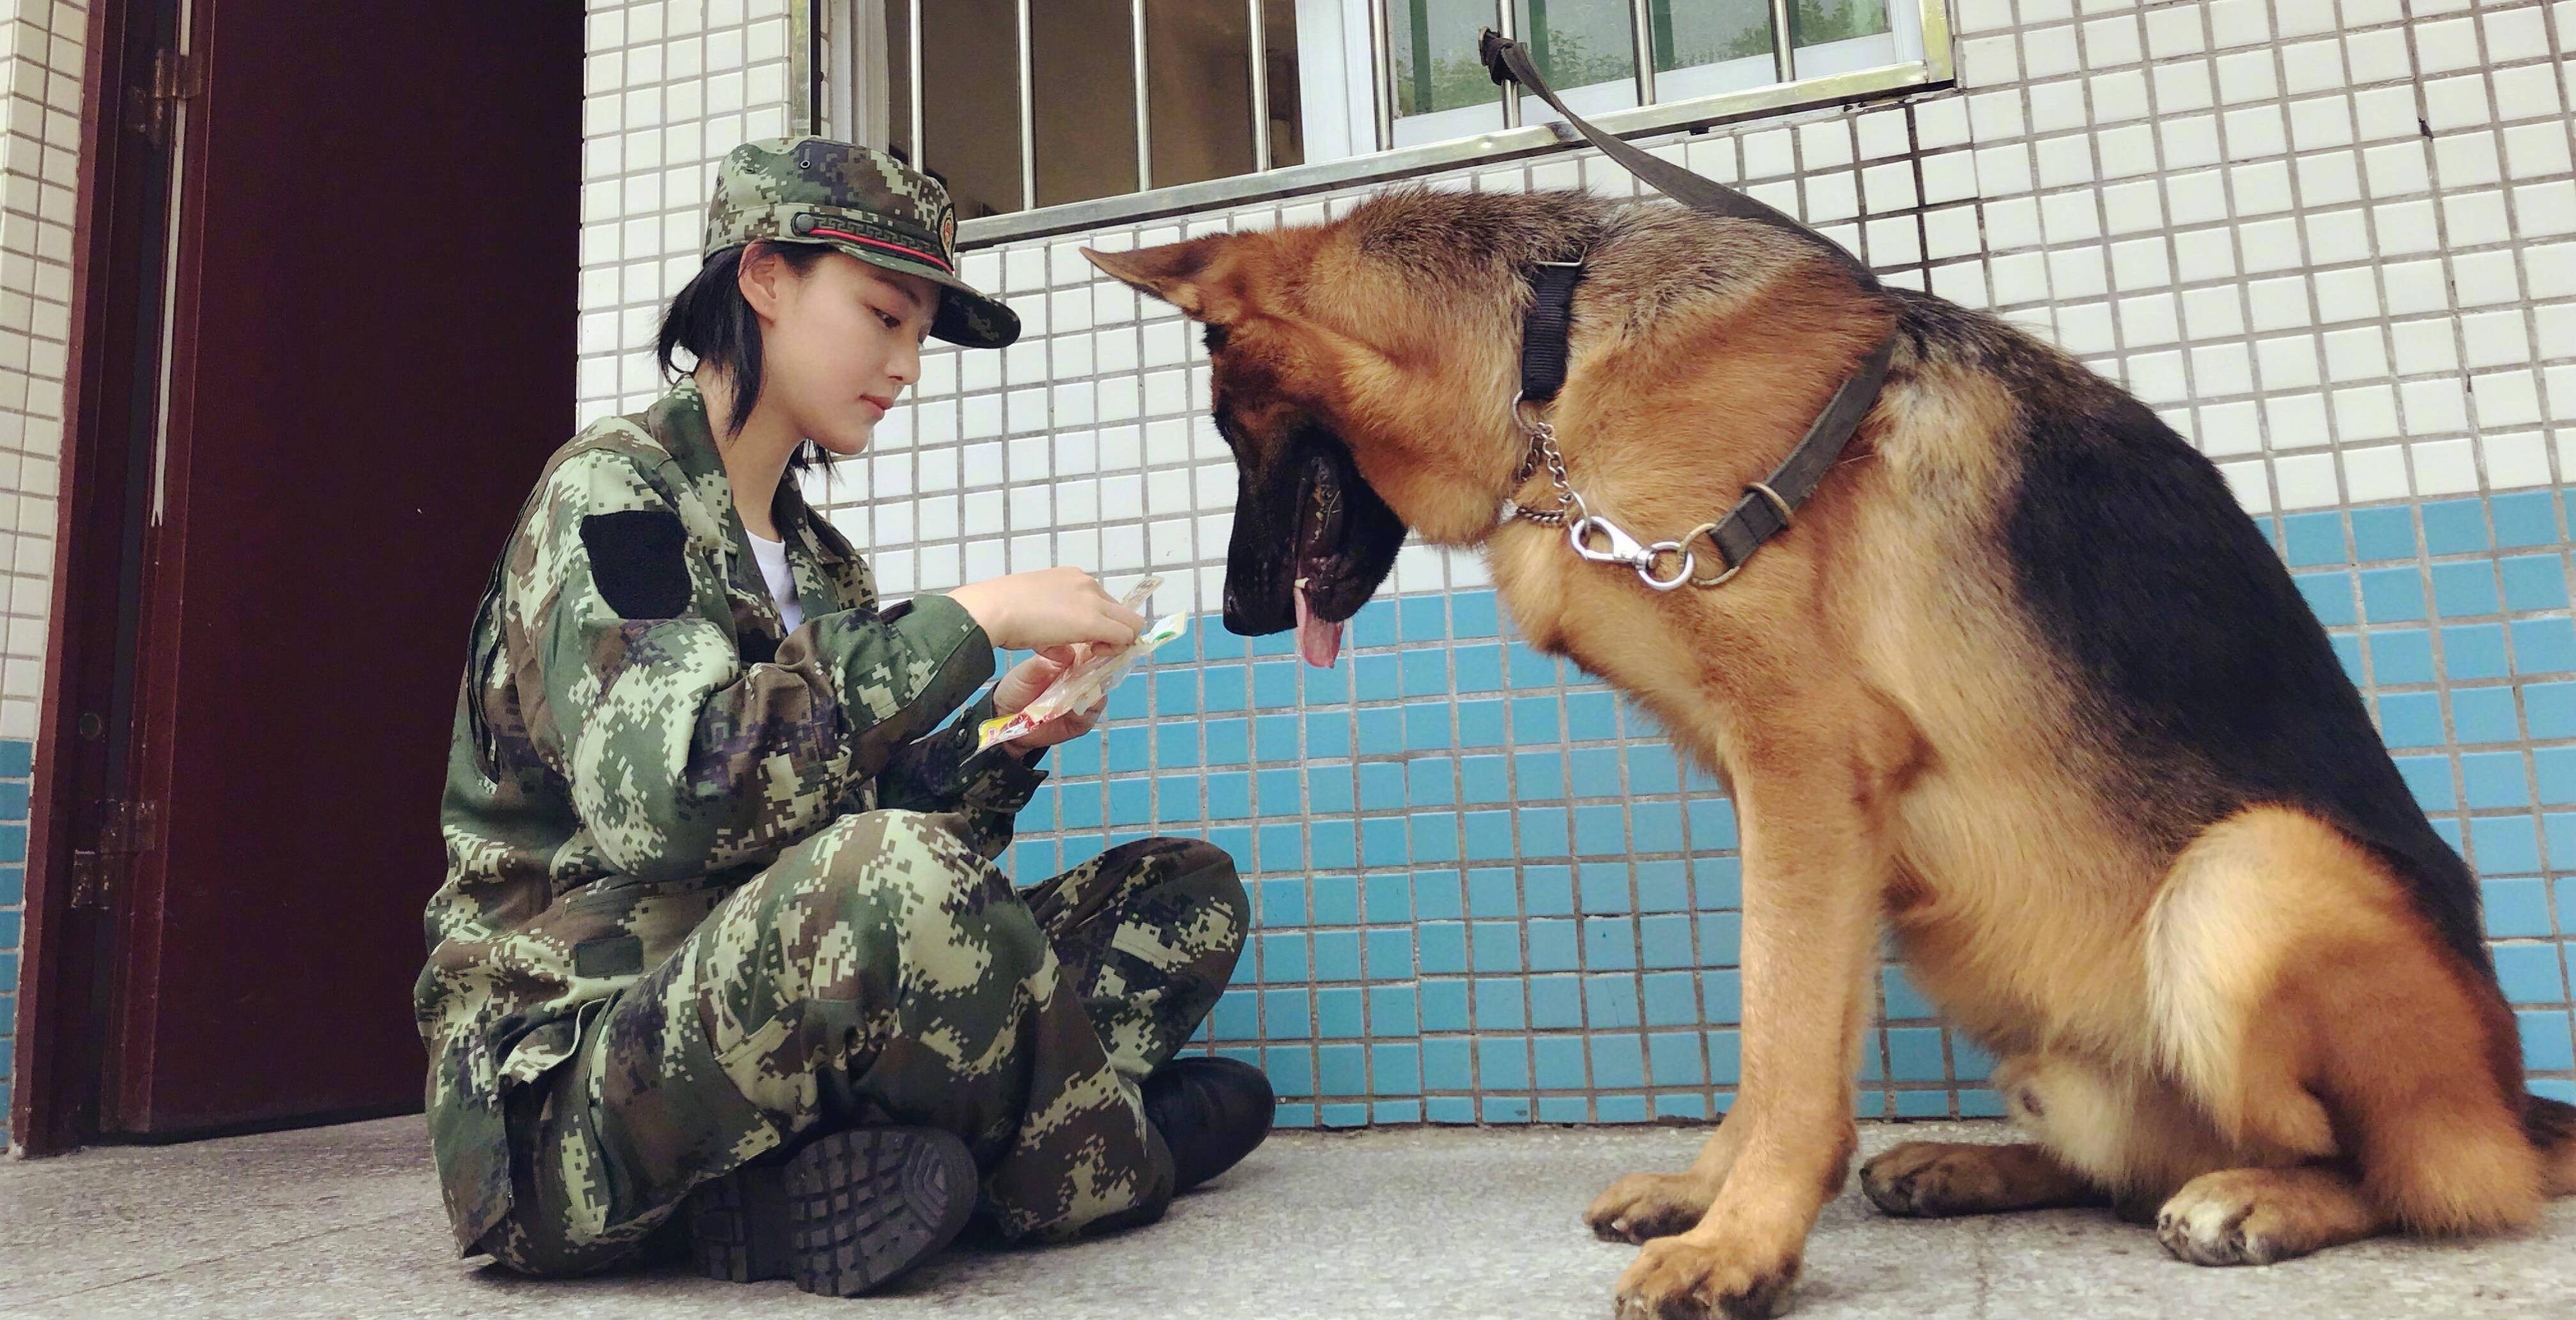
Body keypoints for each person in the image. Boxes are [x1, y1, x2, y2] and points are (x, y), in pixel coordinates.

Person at [413, 136, 1272, 1297]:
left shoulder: (821, 564)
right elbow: (669, 802)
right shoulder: (615, 496)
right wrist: (980, 613)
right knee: (893, 873)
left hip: (765, 1021)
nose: (907, 364)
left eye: (920, 334)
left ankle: (803, 1193)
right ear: (764, 278)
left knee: (1183, 895)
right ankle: (1103, 1162)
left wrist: (1000, 746)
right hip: (571, 1097)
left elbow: (877, 847)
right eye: (883, 315)